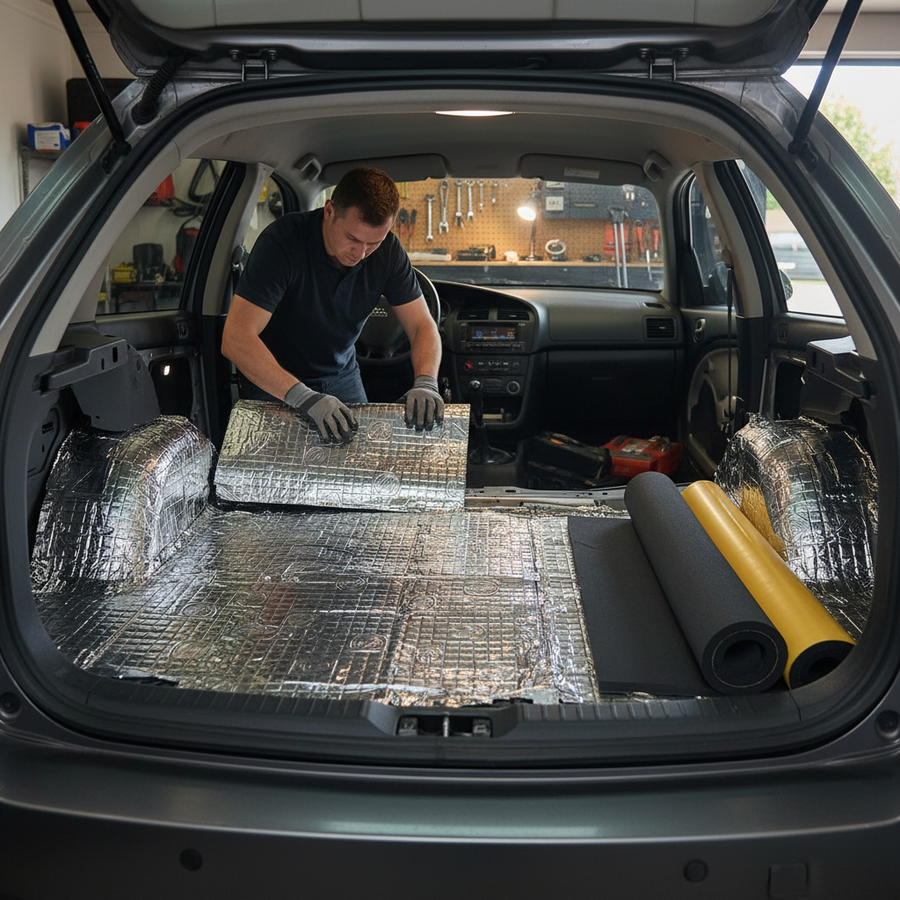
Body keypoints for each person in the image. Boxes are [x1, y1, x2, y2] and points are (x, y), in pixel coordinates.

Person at [221, 167, 443, 442]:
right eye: (352, 239)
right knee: (283, 476)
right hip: (275, 379)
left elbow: (422, 324)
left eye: (373, 243)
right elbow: (236, 338)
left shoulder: (388, 253)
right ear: (329, 212)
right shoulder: (282, 244)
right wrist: (304, 397)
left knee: (359, 467)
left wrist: (426, 381)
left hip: (341, 377)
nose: (361, 254)